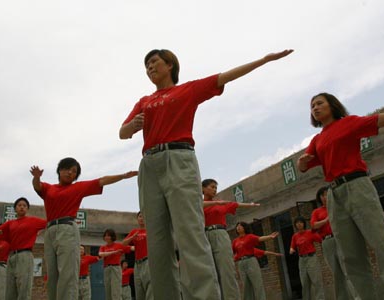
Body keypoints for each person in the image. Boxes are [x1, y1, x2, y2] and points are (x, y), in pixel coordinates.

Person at [119, 48, 293, 300]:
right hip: (149, 165)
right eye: (146, 66)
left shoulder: (187, 90)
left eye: (154, 62)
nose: (149, 68)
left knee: (189, 233)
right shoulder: (144, 101)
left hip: (179, 159)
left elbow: (224, 77)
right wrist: (132, 126)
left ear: (170, 65)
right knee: (157, 242)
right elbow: (122, 133)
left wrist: (263, 60)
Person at [297, 92, 384, 299]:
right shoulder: (317, 139)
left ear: (332, 105)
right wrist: (302, 162)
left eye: (319, 103)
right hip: (334, 194)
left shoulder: (348, 123)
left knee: (382, 244)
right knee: (351, 255)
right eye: (312, 106)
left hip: (358, 186)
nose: (315, 108)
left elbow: (376, 120)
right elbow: (305, 164)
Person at [30, 157, 137, 300]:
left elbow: (102, 180)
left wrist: (123, 176)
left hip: (67, 229)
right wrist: (36, 177)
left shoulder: (78, 187)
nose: (70, 173)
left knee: (67, 273)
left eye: (74, 171)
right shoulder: (49, 188)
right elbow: (37, 186)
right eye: (67, 169)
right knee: (52, 274)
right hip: (50, 231)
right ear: (59, 170)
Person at [202, 178, 260, 300]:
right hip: (204, 236)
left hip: (220, 234)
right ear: (203, 188)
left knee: (226, 271)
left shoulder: (221, 204)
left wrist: (250, 205)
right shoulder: (201, 204)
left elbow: (235, 204)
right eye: (212, 187)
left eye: (216, 188)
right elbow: (196, 205)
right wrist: (216, 203)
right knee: (211, 273)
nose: (214, 190)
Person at [0, 197, 47, 300]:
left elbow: (48, 223)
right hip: (12, 257)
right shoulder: (10, 223)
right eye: (19, 205)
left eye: (24, 206)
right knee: (10, 289)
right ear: (15, 208)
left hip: (25, 255)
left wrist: (39, 232)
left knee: (24, 287)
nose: (22, 207)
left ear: (27, 209)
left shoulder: (33, 221)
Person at [310, 186, 357, 300]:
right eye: (323, 195)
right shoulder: (317, 212)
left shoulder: (338, 206)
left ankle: (357, 296)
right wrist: (326, 220)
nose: (325, 197)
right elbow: (313, 225)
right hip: (327, 241)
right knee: (336, 272)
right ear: (320, 198)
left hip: (340, 238)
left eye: (327, 194)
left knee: (348, 268)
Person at [232, 221, 279, 300]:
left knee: (257, 283)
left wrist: (270, 236)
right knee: (246, 286)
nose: (238, 227)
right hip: (241, 263)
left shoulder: (249, 237)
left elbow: (259, 238)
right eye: (237, 226)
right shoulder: (235, 241)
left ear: (245, 228)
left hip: (250, 261)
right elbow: (232, 253)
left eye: (240, 226)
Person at [289, 216, 325, 300]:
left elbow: (320, 240)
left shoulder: (310, 232)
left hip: (311, 258)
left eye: (301, 222)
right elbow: (292, 247)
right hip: (302, 260)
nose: (299, 224)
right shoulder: (295, 236)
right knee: (305, 283)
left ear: (304, 224)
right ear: (295, 225)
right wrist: (291, 250)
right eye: (297, 223)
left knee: (316, 281)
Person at [123, 211, 153, 300]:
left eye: (144, 216)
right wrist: (132, 238)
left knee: (150, 288)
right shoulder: (134, 232)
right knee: (139, 289)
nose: (142, 218)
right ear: (137, 219)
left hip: (148, 261)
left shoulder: (150, 231)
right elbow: (123, 245)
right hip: (137, 263)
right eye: (140, 216)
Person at [99, 228, 133, 300]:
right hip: (106, 268)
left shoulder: (118, 245)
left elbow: (131, 248)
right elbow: (101, 254)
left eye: (109, 235)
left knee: (116, 291)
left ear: (112, 237)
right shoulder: (103, 247)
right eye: (105, 235)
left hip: (115, 268)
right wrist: (114, 252)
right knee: (108, 290)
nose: (107, 237)